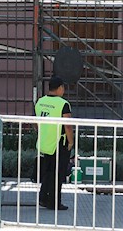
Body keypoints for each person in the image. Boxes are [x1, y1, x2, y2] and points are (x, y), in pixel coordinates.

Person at [35, 75, 73, 211]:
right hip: (59, 143)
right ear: (60, 88)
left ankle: (43, 198)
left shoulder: (40, 102)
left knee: (48, 172)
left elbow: (36, 123)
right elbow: (68, 126)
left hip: (45, 142)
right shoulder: (63, 104)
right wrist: (71, 142)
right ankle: (54, 202)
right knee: (58, 173)